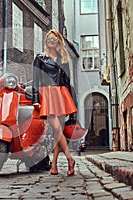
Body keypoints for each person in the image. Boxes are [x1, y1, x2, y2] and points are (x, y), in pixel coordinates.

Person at [32, 30, 77, 176]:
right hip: (46, 94)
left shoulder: (63, 59)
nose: (52, 40)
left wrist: (71, 103)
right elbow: (35, 80)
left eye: (55, 39)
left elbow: (67, 82)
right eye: (49, 38)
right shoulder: (40, 58)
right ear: (46, 40)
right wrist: (35, 100)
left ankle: (54, 164)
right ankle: (70, 159)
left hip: (61, 94)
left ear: (59, 42)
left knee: (59, 132)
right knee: (57, 128)